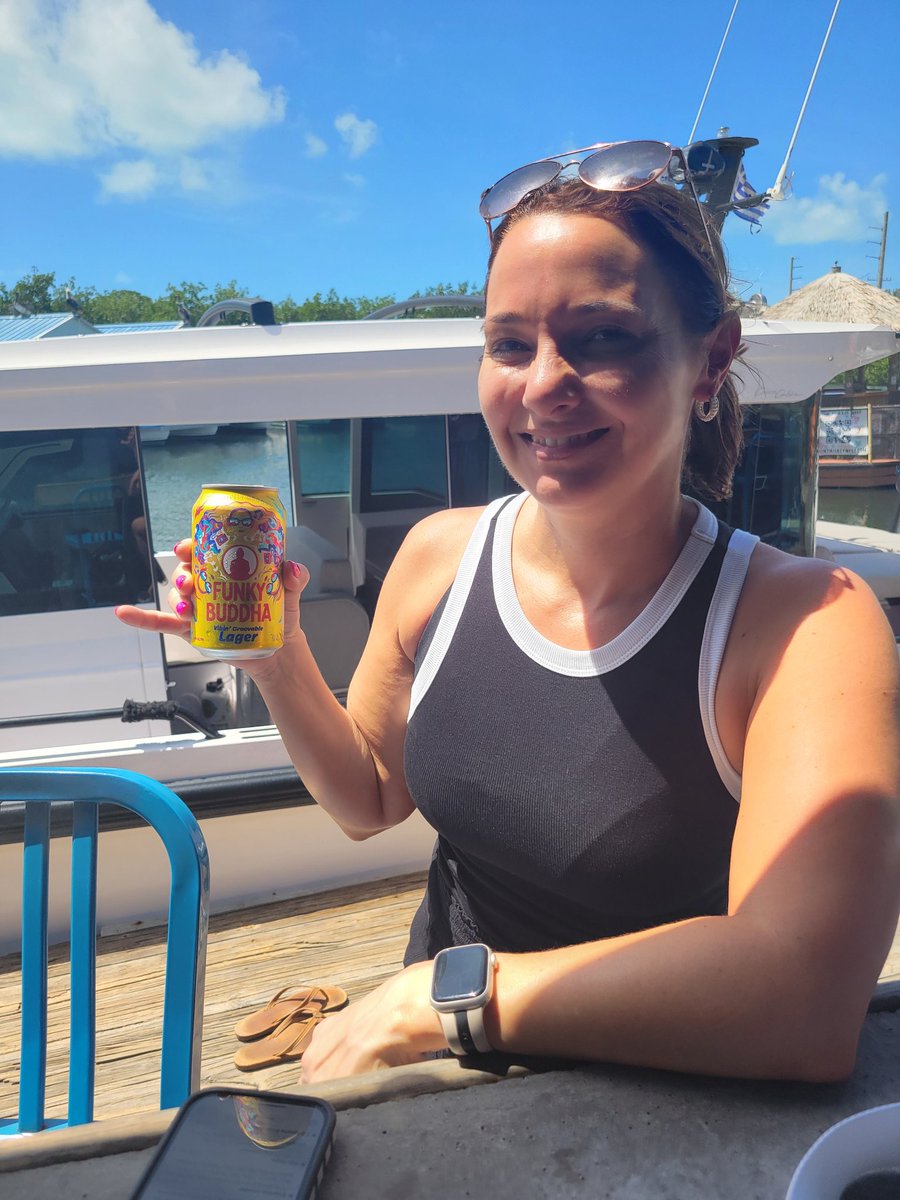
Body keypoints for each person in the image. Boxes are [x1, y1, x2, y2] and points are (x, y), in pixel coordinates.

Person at [116, 140, 900, 1086]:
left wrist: (450, 998)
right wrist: (279, 660)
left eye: (602, 336)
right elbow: (368, 796)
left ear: (711, 360)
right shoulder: (439, 557)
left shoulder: (805, 622)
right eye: (508, 343)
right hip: (434, 1076)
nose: (541, 385)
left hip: (651, 1091)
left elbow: (803, 1005)